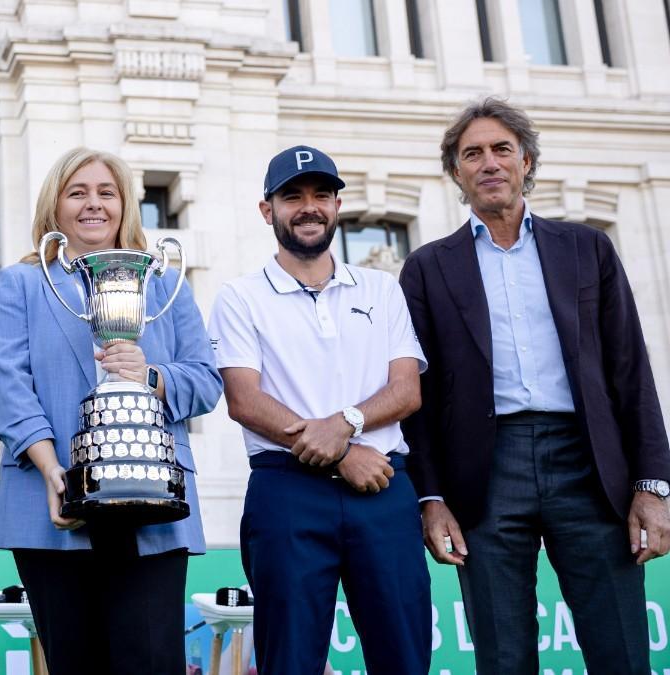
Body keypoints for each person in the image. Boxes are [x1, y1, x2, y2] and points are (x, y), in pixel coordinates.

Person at [400, 97, 670, 673]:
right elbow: (416, 398)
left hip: (590, 466)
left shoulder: (587, 248)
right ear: (457, 173)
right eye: (472, 154)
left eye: (502, 149)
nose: (489, 162)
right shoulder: (426, 267)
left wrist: (654, 485)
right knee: (502, 656)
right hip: (485, 473)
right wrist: (431, 497)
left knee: (621, 650)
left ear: (526, 161)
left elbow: (630, 371)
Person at [0, 147, 221, 675]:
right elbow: (10, 389)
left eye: (106, 193)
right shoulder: (23, 283)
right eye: (77, 192)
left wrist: (152, 375)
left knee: (152, 662)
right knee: (76, 663)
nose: (93, 205)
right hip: (54, 504)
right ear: (55, 206)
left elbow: (206, 381)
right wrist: (55, 474)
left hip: (154, 498)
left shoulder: (164, 282)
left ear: (125, 206)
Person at [209, 145, 431, 675]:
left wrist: (346, 426)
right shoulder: (240, 297)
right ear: (268, 210)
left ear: (336, 206)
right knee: (289, 660)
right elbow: (244, 400)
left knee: (403, 656)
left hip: (381, 487)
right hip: (288, 491)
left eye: (321, 195)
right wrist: (339, 456)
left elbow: (407, 391)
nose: (308, 206)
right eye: (293, 196)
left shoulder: (381, 288)